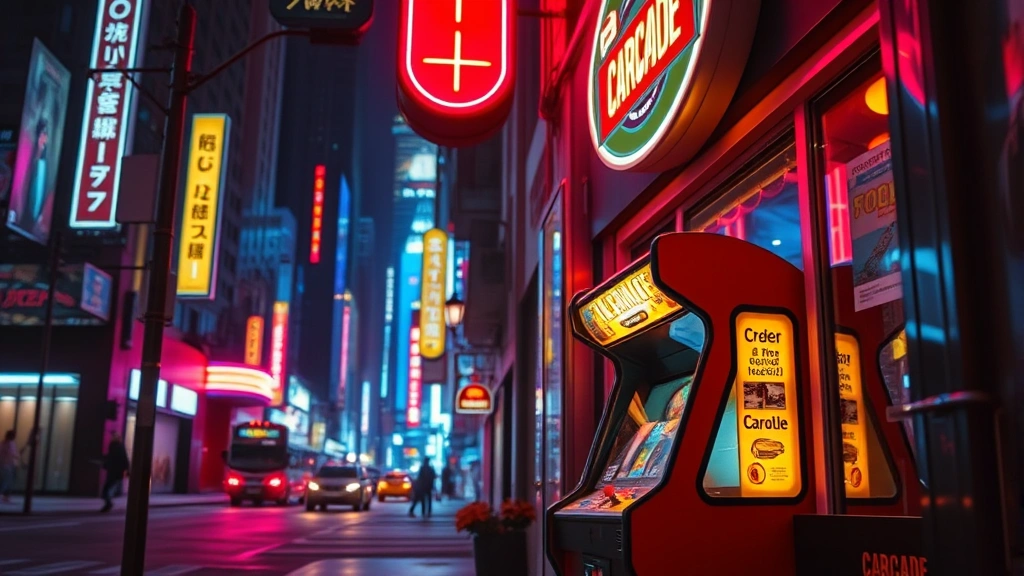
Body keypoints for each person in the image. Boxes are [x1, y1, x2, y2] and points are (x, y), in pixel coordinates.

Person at [100, 433, 130, 513]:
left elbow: (112, 459)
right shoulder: (119, 447)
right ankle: (108, 502)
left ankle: (108, 503)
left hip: (114, 472)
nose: (111, 438)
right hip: (117, 473)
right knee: (108, 488)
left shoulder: (114, 447)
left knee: (107, 489)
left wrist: (106, 464)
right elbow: (124, 460)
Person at [0, 430, 19, 503]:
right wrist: (17, 456)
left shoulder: (3, 443)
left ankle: (6, 496)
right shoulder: (10, 444)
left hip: (4, 465)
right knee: (7, 481)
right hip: (8, 465)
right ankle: (5, 495)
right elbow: (13, 454)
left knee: (6, 481)